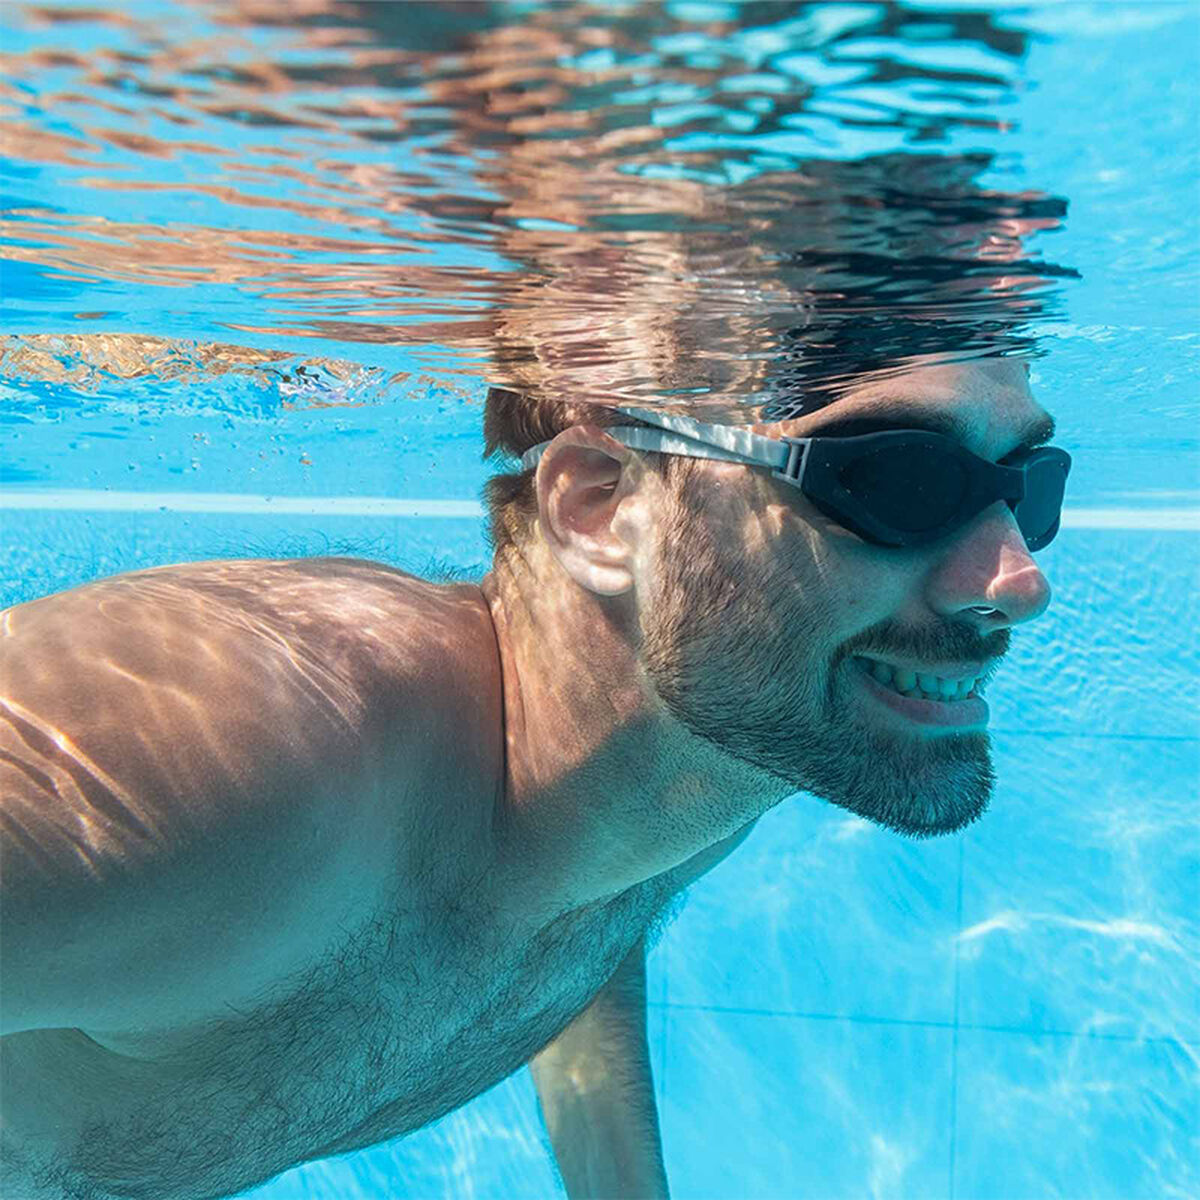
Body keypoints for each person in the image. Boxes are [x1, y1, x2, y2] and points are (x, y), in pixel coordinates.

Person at [0, 353, 1067, 1200]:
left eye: (1030, 489)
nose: (1019, 581)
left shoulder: (707, 763)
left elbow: (576, 933)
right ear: (601, 507)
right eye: (895, 482)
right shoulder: (255, 757)